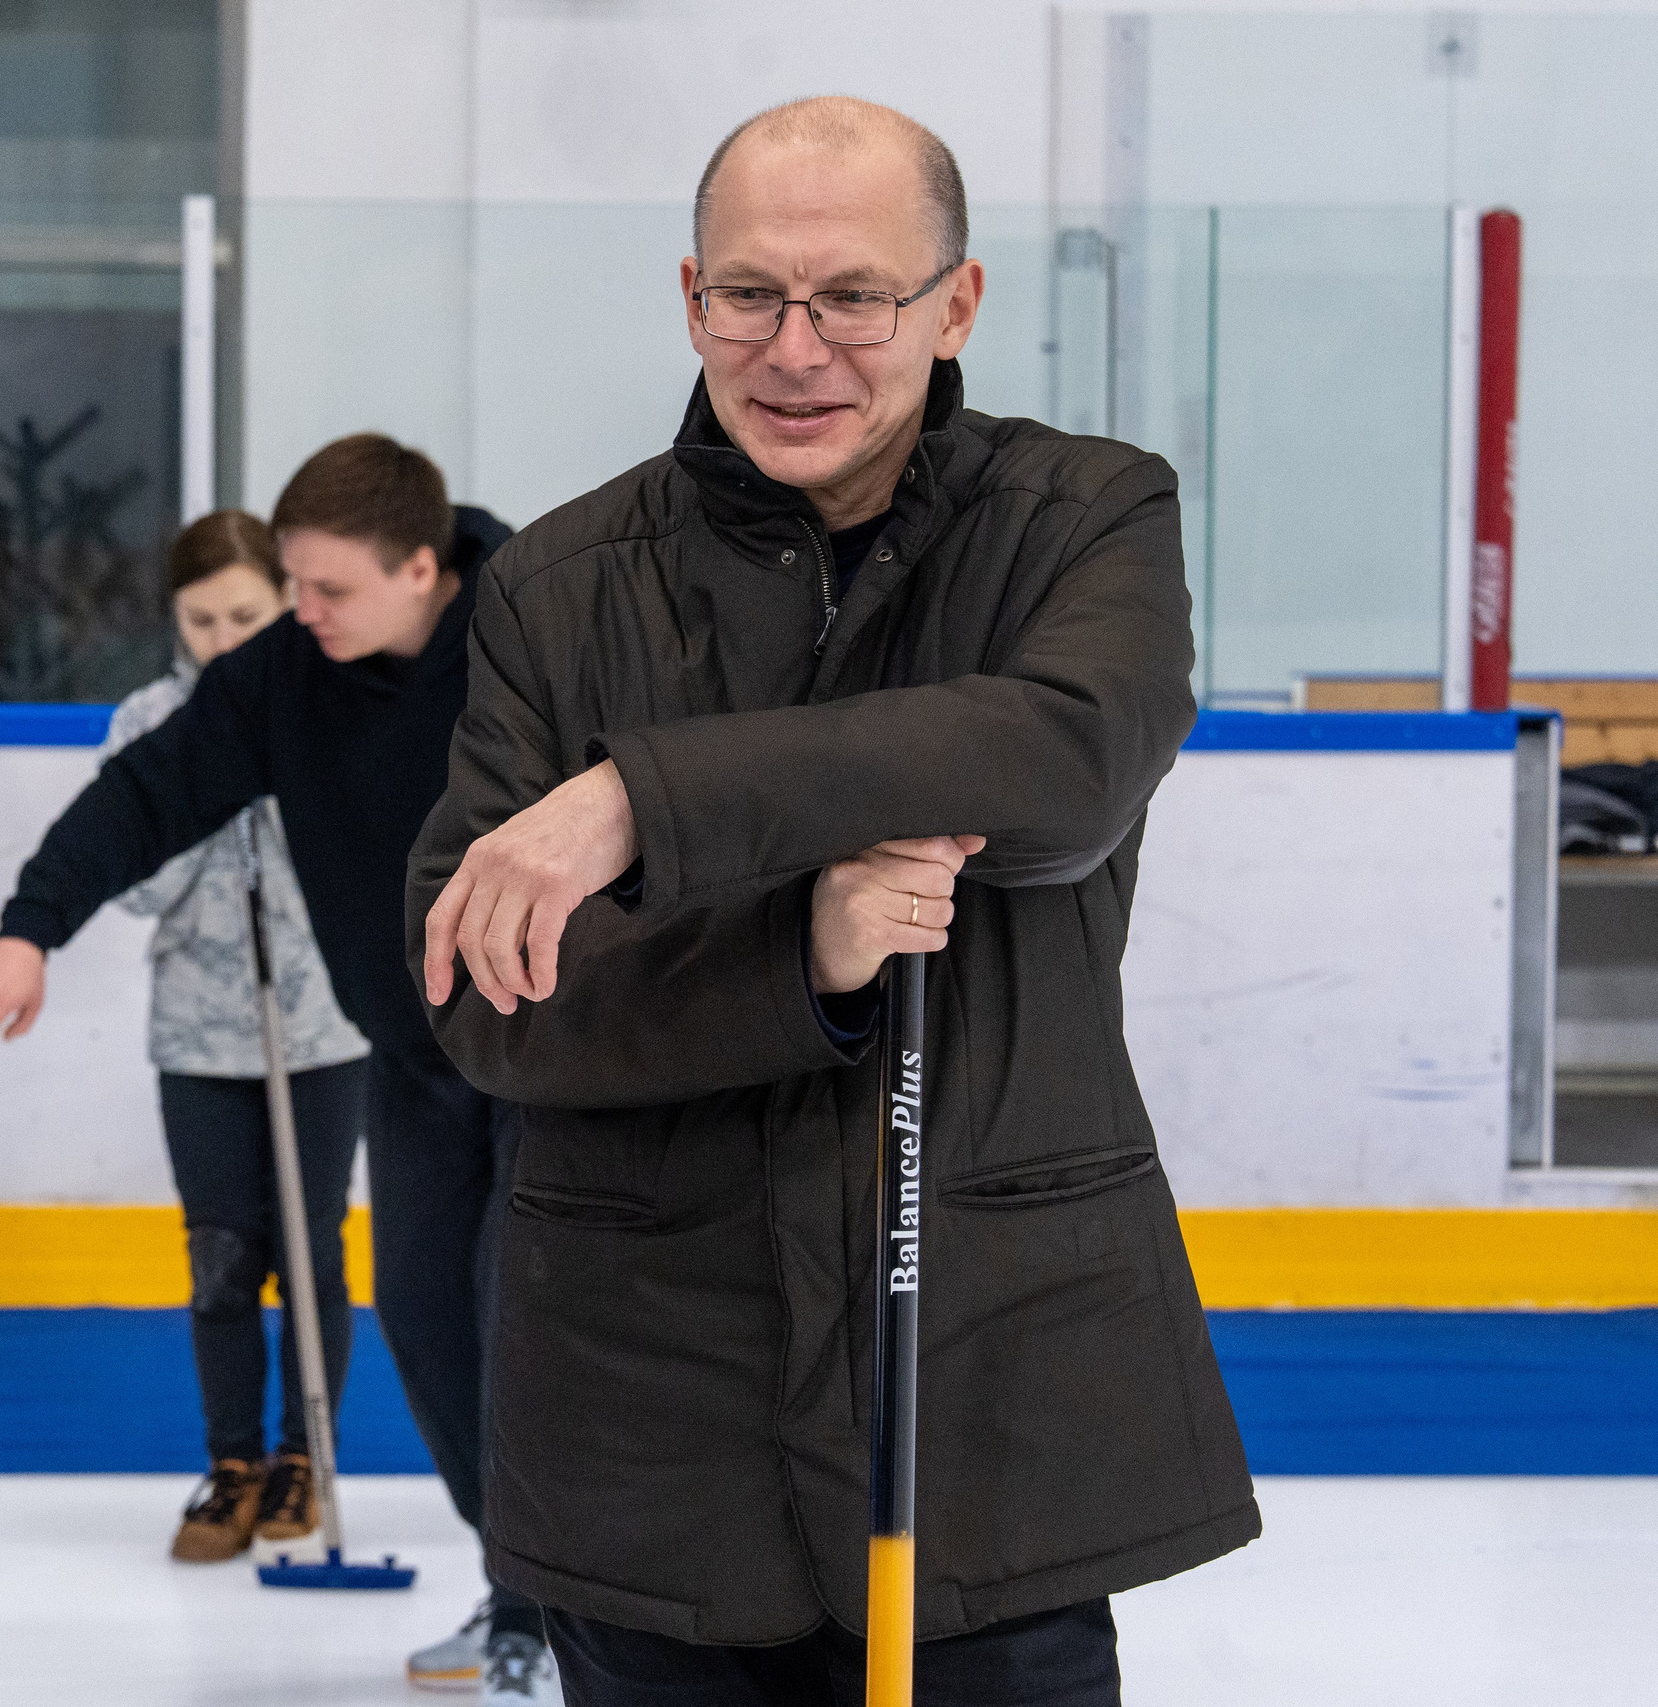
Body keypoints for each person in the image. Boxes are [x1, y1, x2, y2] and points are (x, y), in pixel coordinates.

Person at [411, 97, 1257, 1707]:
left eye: (855, 296)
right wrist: (796, 943)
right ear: (691, 298)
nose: (796, 350)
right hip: (654, 1433)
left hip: (987, 1420)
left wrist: (639, 799)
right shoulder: (558, 588)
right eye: (750, 293)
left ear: (957, 303)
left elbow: (1069, 759)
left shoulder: (1084, 518)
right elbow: (488, 993)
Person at [0, 439, 551, 1698]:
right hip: (419, 1061)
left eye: (327, 590)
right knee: (428, 1323)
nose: (299, 612)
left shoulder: (541, 636)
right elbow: (145, 794)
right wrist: (29, 927)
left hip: (563, 1064)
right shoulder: (287, 676)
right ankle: (521, 1596)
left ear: (421, 567)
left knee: (527, 1330)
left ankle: (570, 1618)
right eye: (293, 585)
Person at [92, 509, 371, 1562]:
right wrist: (205, 787)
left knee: (309, 1247)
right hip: (198, 1037)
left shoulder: (336, 704)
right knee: (219, 1256)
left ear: (286, 607)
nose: (222, 641)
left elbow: (366, 855)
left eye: (244, 619)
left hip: (321, 1025)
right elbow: (130, 883)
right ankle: (233, 1461)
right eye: (200, 621)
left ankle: (306, 1454)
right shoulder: (148, 720)